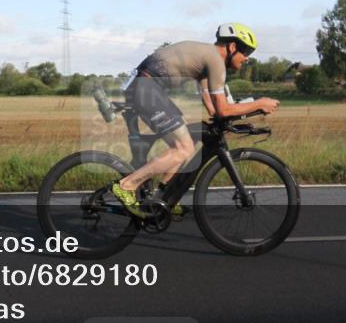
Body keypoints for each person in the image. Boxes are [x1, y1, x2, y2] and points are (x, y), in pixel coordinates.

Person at [111, 23, 280, 218]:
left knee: (186, 142)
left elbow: (211, 102)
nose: (247, 57)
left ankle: (164, 197)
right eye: (246, 51)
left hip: (146, 87)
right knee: (184, 148)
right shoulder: (215, 60)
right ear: (232, 47)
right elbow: (223, 109)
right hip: (146, 88)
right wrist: (259, 104)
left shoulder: (208, 58)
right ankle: (127, 186)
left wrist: (227, 115)